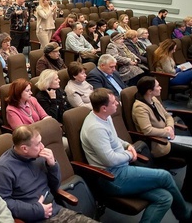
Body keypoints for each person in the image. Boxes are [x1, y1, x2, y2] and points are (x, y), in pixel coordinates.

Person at [80, 88, 192, 223]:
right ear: (104, 108)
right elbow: (109, 159)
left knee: (164, 198)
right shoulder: (95, 128)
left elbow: (114, 139)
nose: (117, 103)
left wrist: (127, 145)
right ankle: (186, 216)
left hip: (121, 170)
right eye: (114, 102)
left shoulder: (104, 116)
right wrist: (129, 155)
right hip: (112, 177)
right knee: (165, 176)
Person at [0, 125, 96, 223]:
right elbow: (2, 202)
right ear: (24, 148)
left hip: (56, 210)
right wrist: (36, 210)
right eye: (37, 144)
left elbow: (55, 186)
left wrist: (52, 165)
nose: (42, 146)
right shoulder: (2, 168)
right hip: (33, 218)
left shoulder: (38, 156)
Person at [132, 76, 192, 200]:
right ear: (149, 91)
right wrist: (166, 132)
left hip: (167, 137)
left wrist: (169, 127)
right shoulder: (140, 107)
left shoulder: (153, 99)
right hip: (157, 143)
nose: (161, 87)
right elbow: (147, 130)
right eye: (158, 86)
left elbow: (167, 115)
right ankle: (187, 193)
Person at [153, 39, 192, 107]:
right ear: (168, 48)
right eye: (173, 49)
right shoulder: (164, 58)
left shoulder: (164, 55)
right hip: (169, 78)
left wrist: (178, 68)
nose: (174, 51)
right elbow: (170, 71)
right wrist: (179, 69)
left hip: (172, 76)